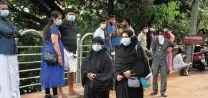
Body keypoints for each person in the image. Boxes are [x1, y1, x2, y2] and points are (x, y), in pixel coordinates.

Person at [114, 30, 150, 98]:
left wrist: (132, 72)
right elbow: (115, 65)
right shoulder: (119, 49)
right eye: (122, 37)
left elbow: (144, 64)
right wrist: (116, 75)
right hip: (121, 83)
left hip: (133, 81)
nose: (124, 39)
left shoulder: (137, 48)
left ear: (131, 37)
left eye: (126, 37)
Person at [40, 11, 65, 98]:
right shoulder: (54, 28)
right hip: (53, 53)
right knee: (55, 72)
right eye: (59, 18)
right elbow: (55, 42)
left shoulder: (47, 27)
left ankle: (47, 93)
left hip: (47, 52)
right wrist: (59, 55)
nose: (60, 20)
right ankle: (54, 94)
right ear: (54, 18)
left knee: (47, 71)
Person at [0, 1, 21, 98]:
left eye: (6, 9)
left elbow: (16, 30)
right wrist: (13, 32)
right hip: (3, 52)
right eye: (3, 9)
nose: (5, 10)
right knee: (4, 77)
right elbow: (7, 31)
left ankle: (15, 95)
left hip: (12, 51)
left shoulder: (7, 21)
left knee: (14, 75)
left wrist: (13, 32)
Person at [150, 30, 178, 97]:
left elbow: (176, 46)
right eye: (159, 34)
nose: (160, 35)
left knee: (163, 77)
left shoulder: (167, 41)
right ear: (157, 35)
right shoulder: (154, 40)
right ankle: (155, 91)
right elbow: (151, 49)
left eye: (162, 34)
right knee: (154, 76)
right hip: (155, 61)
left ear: (163, 35)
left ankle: (163, 92)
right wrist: (152, 56)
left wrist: (170, 50)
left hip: (163, 62)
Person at [58, 8, 78, 95]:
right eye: (70, 14)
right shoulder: (61, 24)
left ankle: (71, 89)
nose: (72, 16)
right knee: (61, 70)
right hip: (64, 48)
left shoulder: (74, 24)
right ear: (66, 15)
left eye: (73, 14)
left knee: (71, 71)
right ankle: (60, 90)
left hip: (73, 49)